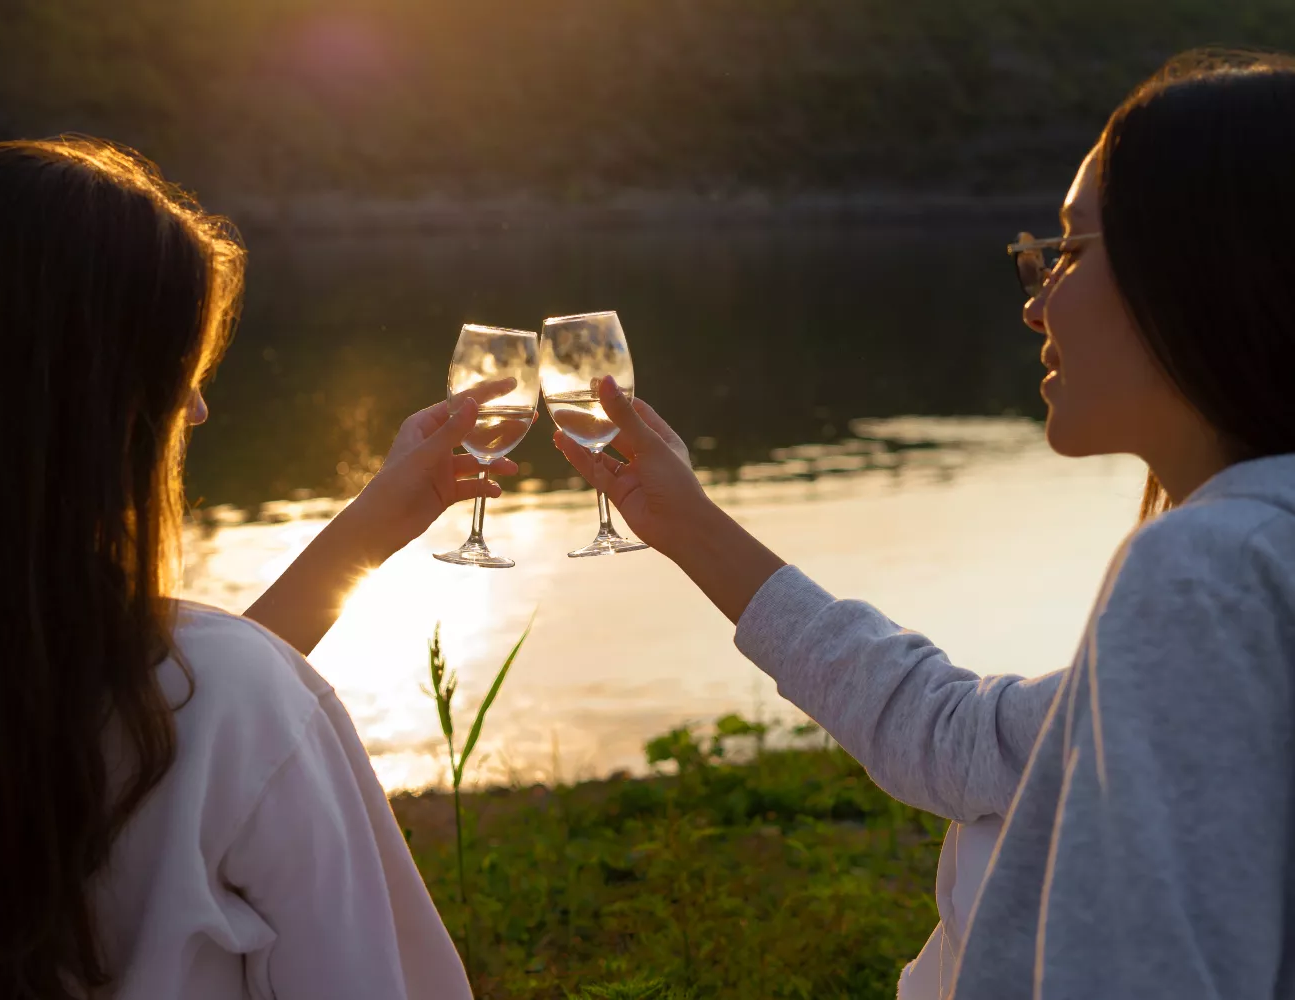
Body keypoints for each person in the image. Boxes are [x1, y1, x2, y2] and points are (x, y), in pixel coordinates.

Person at [554, 50, 1295, 998]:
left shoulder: (1208, 573)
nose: (1035, 302)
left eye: (1069, 251)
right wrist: (687, 521)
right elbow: (956, 738)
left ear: (1200, 268)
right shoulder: (1244, 572)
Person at [0, 138, 493, 999]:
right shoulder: (239, 703)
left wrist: (362, 534)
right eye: (181, 373)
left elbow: (138, 722)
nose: (197, 409)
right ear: (91, 405)